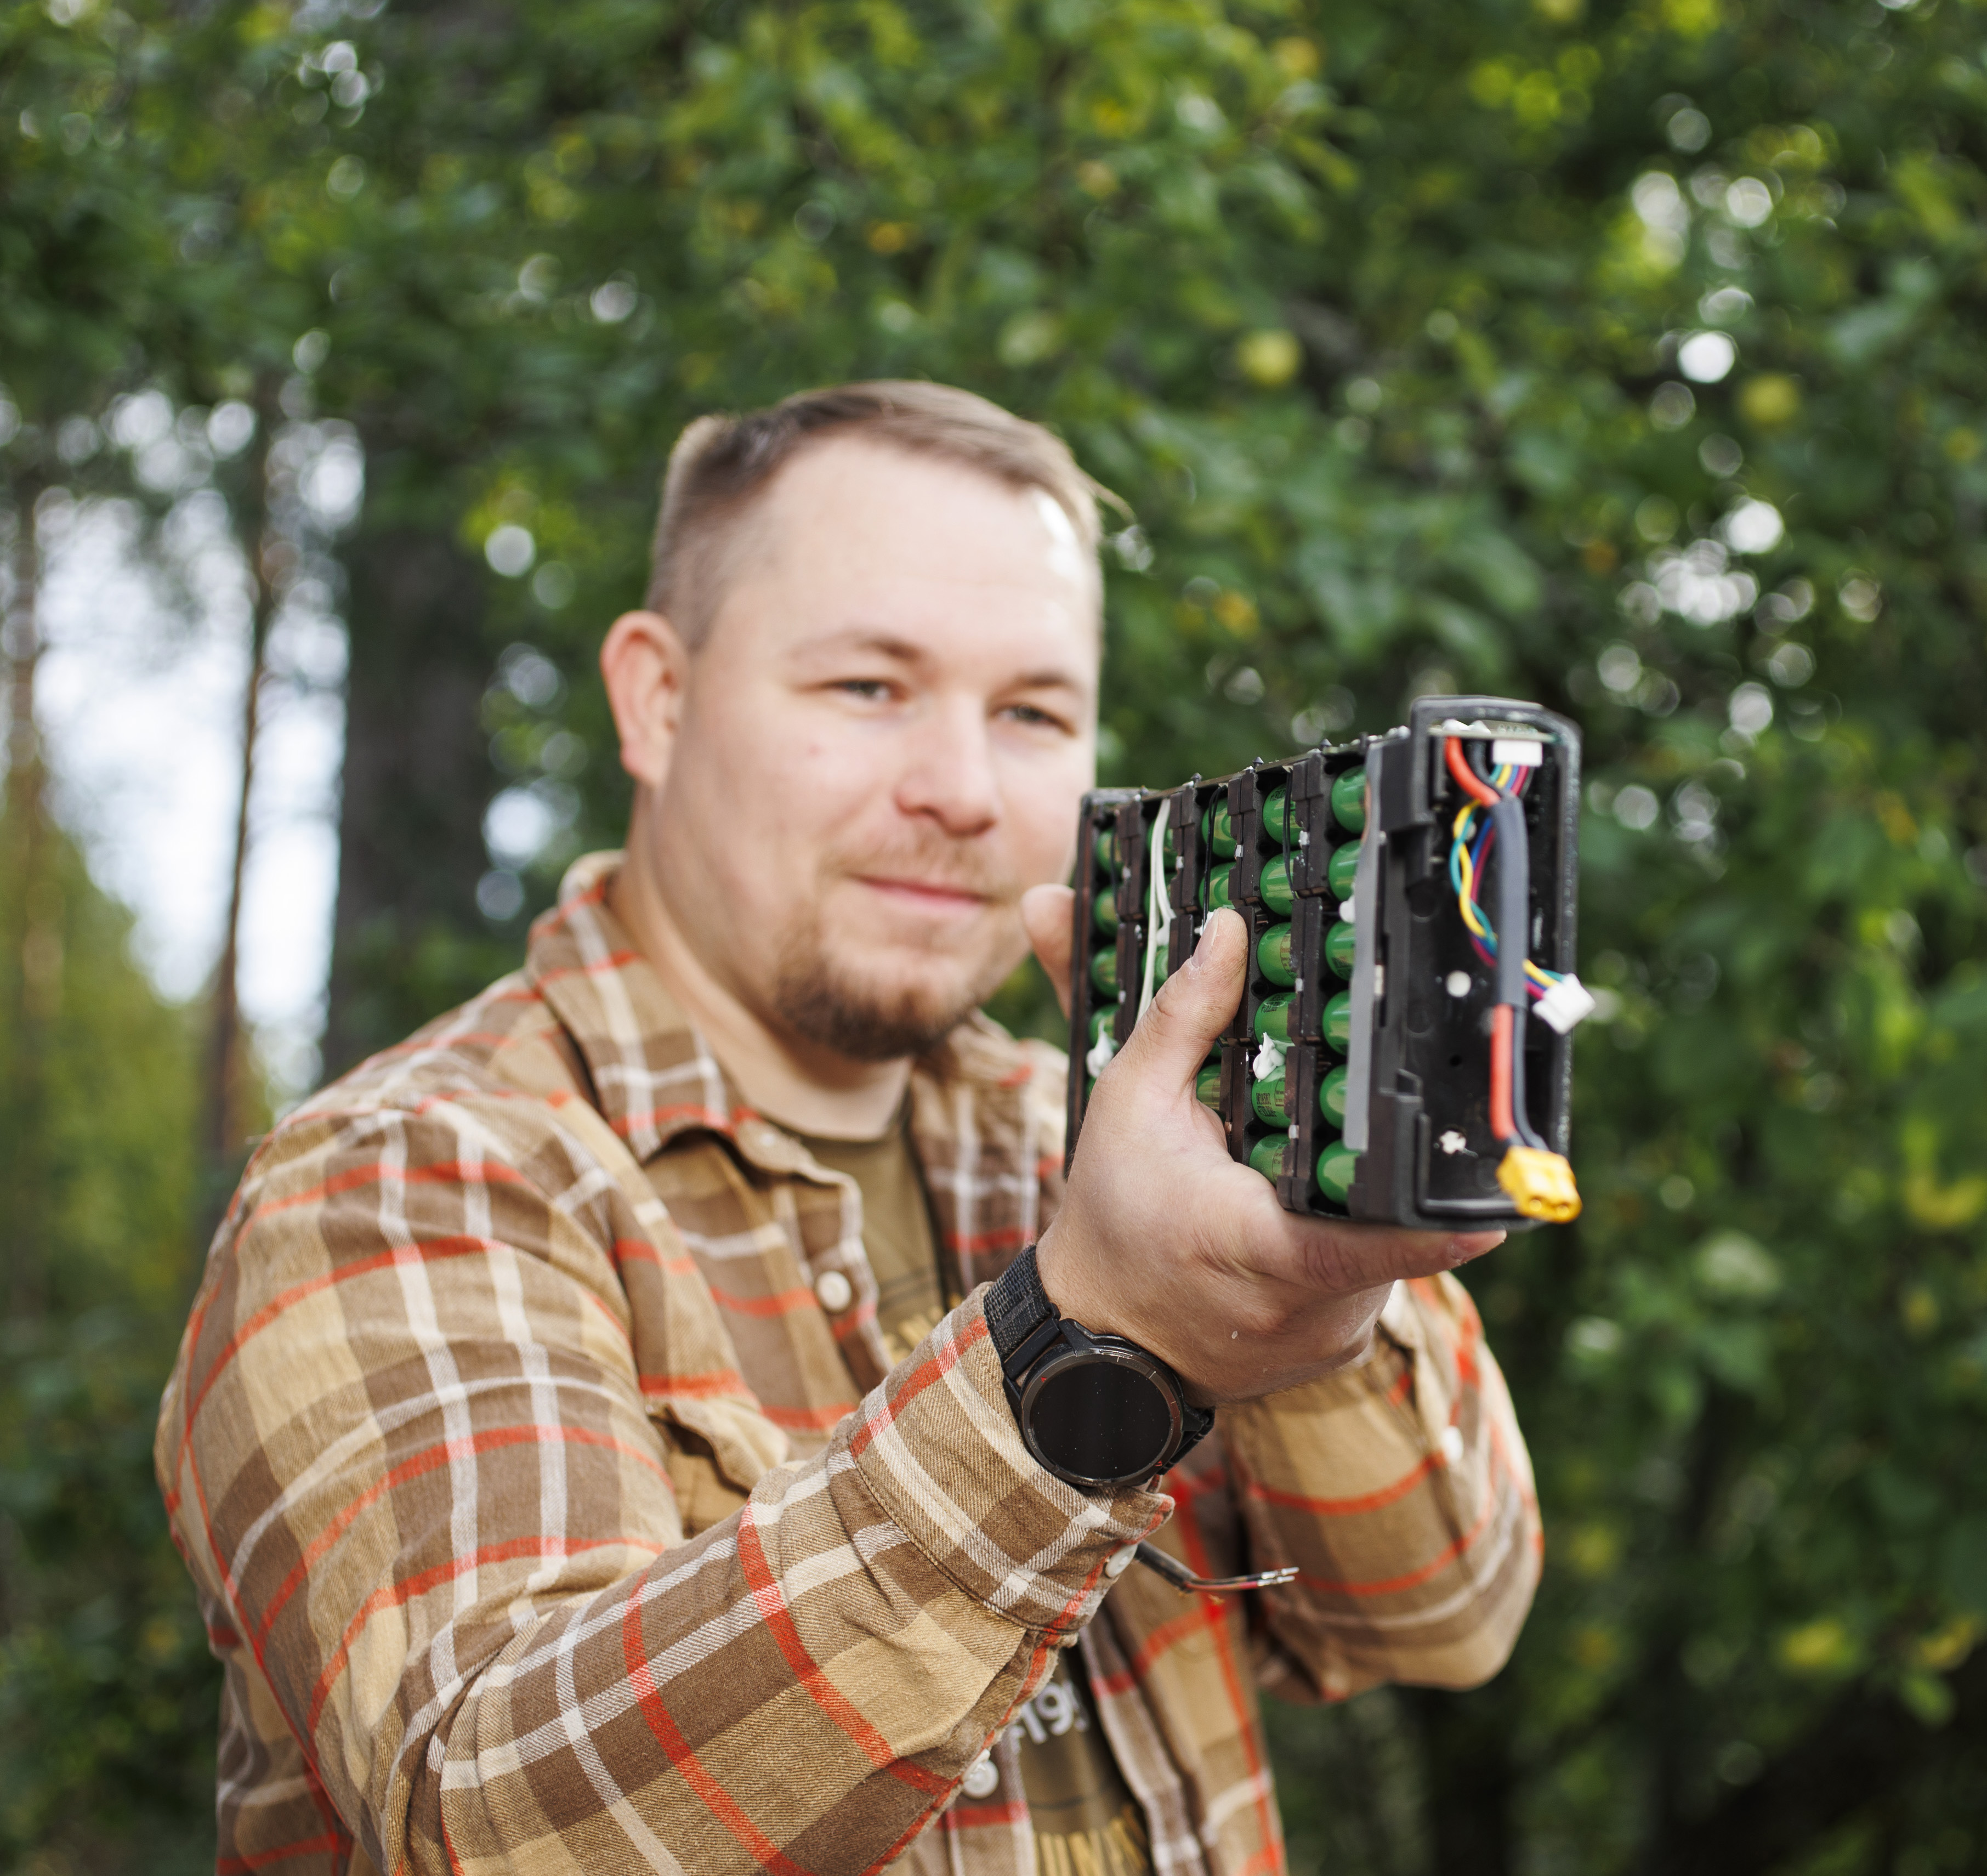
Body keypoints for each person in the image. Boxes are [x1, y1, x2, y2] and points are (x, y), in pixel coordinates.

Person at [156, 381, 1541, 1876]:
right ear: (657, 699)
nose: (958, 790)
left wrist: (1313, 1243)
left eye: (1031, 714)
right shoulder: (407, 1177)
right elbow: (498, 1827)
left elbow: (1435, 1617)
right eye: (867, 689)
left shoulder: (1096, 1141)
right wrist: (1071, 1352)